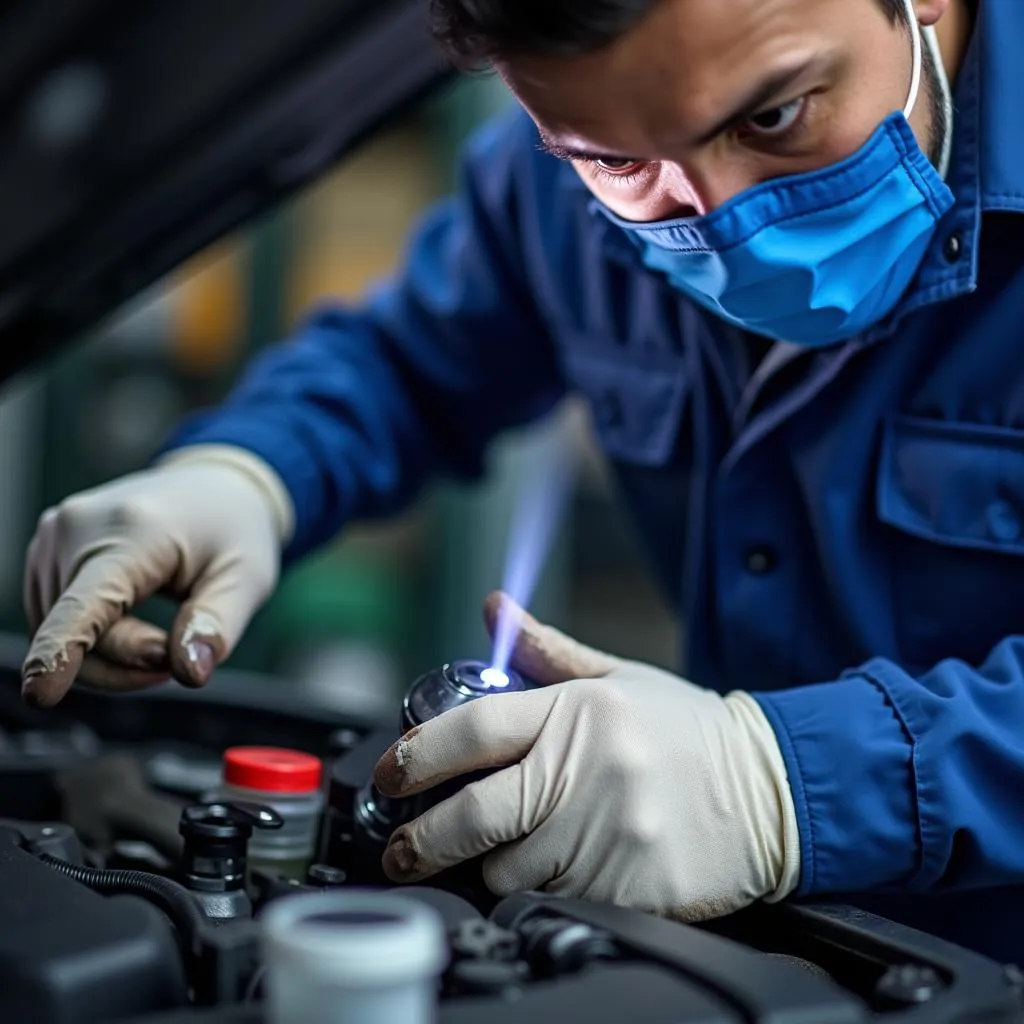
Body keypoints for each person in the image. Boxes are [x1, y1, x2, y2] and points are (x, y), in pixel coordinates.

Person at [21, 0, 1024, 962]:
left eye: (772, 114)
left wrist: (780, 782)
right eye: (618, 160)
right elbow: (408, 364)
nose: (725, 221)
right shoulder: (565, 158)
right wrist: (245, 472)